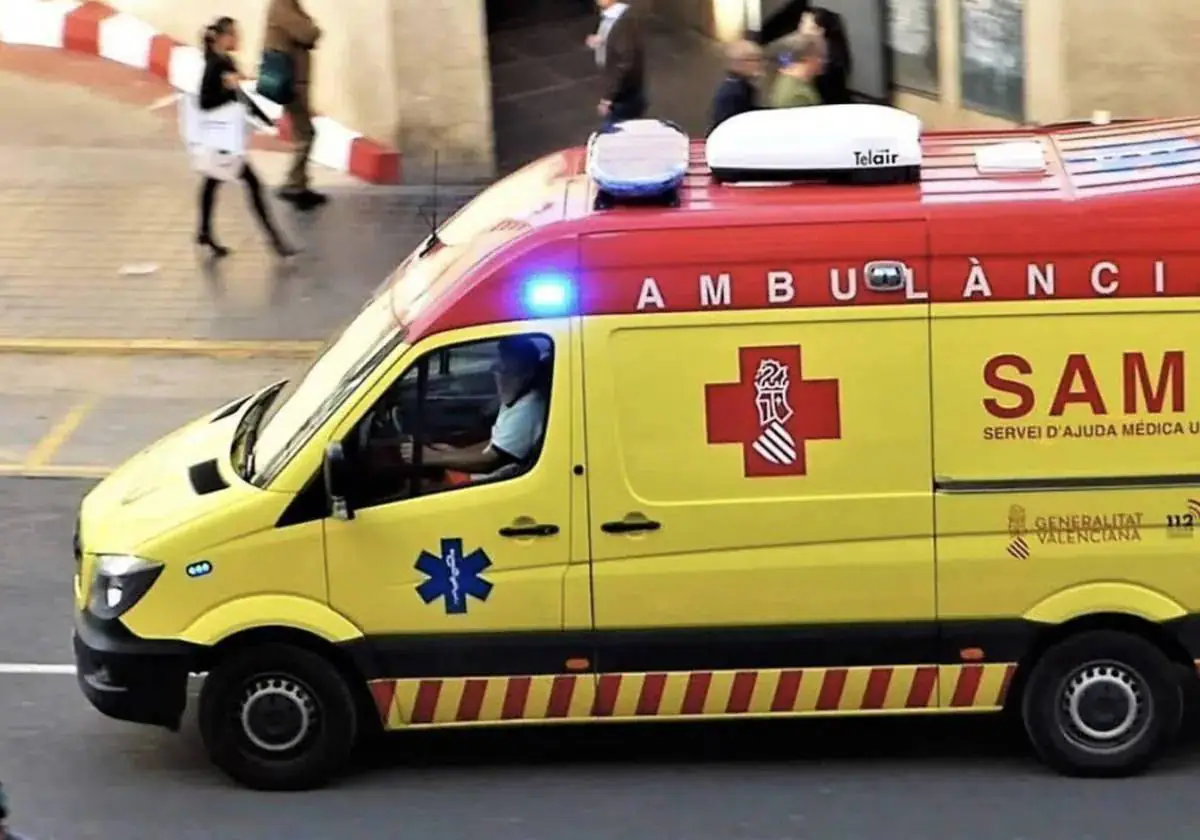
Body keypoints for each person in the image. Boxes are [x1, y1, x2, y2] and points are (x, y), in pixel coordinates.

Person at [196, 17, 295, 259]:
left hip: (224, 136)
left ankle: (204, 231)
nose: (238, 39)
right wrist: (226, 89)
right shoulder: (216, 64)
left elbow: (240, 98)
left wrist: (267, 121)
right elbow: (205, 102)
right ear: (223, 37)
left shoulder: (225, 62)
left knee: (212, 182)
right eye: (234, 34)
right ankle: (276, 241)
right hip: (222, 137)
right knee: (252, 184)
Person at [399, 336, 547, 485]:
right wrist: (452, 452)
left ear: (526, 374)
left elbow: (490, 461)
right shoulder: (517, 395)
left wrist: (428, 457)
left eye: (504, 369)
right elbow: (495, 443)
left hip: (490, 485)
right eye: (497, 366)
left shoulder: (527, 411)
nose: (496, 372)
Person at [264, 0, 326, 210]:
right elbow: (308, 33)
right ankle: (293, 184)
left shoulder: (287, 6)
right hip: (291, 82)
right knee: (306, 133)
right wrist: (313, 29)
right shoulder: (282, 6)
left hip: (293, 81)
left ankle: (299, 184)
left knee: (304, 133)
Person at [585, 0, 647, 129]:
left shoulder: (623, 23)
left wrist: (608, 97)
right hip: (626, 93)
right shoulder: (615, 17)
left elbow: (624, 64)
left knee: (613, 134)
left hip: (623, 97)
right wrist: (602, 41)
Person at [709, 39, 764, 133]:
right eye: (752, 60)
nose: (758, 64)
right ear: (736, 63)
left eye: (758, 60)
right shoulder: (734, 92)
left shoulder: (741, 87)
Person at [803, 7, 853, 105]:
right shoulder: (816, 46)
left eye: (805, 24)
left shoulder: (828, 59)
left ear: (819, 30)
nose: (800, 29)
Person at [768, 32, 824, 109]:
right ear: (808, 58)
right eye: (818, 56)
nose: (820, 61)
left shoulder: (786, 80)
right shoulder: (798, 95)